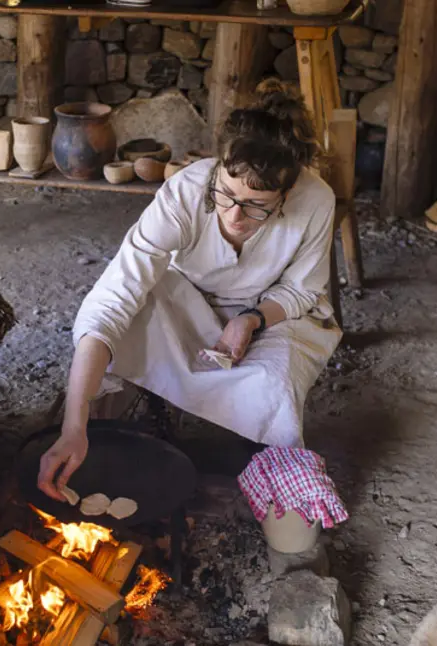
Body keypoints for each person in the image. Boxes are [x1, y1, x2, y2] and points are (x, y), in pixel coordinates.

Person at [38, 78, 343, 502]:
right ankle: (110, 425)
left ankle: (262, 468)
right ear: (219, 168)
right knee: (128, 320)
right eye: (226, 194)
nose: (235, 215)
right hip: (187, 298)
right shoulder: (187, 189)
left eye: (257, 205)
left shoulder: (316, 200)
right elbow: (113, 297)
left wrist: (251, 320)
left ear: (286, 192)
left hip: (271, 309)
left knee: (275, 384)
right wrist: (74, 426)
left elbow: (300, 289)